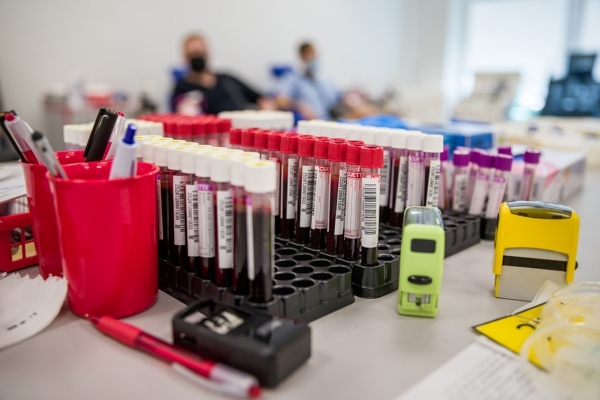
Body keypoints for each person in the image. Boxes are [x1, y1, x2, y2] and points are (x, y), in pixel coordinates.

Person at [172, 34, 272, 114]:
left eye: (200, 53)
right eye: (193, 54)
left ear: (207, 54)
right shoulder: (183, 88)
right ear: (185, 57)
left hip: (243, 125)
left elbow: (260, 98)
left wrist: (267, 106)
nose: (197, 58)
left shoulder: (226, 79)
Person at [273, 42, 341, 120]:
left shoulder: (326, 81)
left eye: (315, 54)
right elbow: (280, 101)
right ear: (301, 57)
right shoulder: (292, 79)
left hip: (333, 121)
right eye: (309, 55)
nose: (313, 58)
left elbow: (337, 99)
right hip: (312, 123)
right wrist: (299, 106)